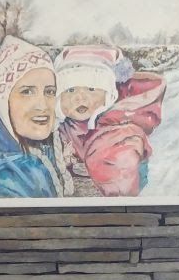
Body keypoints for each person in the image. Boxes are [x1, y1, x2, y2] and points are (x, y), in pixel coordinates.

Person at [54, 44, 166, 197]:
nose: (80, 97)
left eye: (91, 89)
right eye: (70, 89)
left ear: (109, 95)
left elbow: (124, 171)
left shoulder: (120, 129)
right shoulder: (58, 129)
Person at [0, 36, 71, 199]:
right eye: (27, 92)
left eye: (50, 91)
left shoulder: (45, 152)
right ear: (1, 103)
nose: (43, 106)